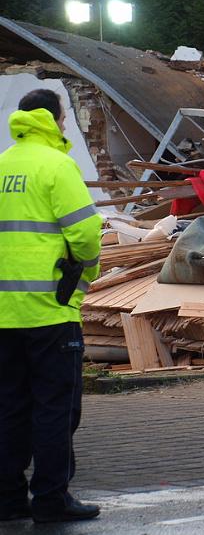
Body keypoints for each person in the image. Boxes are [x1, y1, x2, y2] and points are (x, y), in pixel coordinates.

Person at [0, 89, 102, 523]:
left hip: (3, 316)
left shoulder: (2, 165)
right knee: (55, 409)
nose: (65, 126)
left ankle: (6, 499)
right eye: (64, 119)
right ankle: (51, 499)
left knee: (8, 408)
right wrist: (82, 280)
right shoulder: (58, 166)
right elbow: (86, 234)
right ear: (53, 119)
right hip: (49, 312)